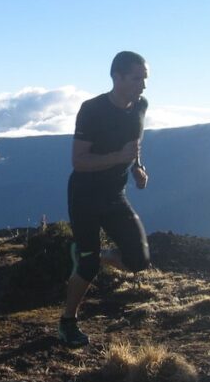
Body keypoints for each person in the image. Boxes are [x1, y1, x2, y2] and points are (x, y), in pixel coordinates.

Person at [58, 51, 151, 347]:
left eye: (144, 79)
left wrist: (137, 166)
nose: (143, 85)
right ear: (117, 77)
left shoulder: (141, 106)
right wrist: (117, 158)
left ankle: (96, 256)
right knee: (87, 265)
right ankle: (68, 322)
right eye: (137, 78)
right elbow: (78, 161)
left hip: (115, 194)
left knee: (138, 260)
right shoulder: (92, 109)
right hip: (85, 195)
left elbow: (135, 141)